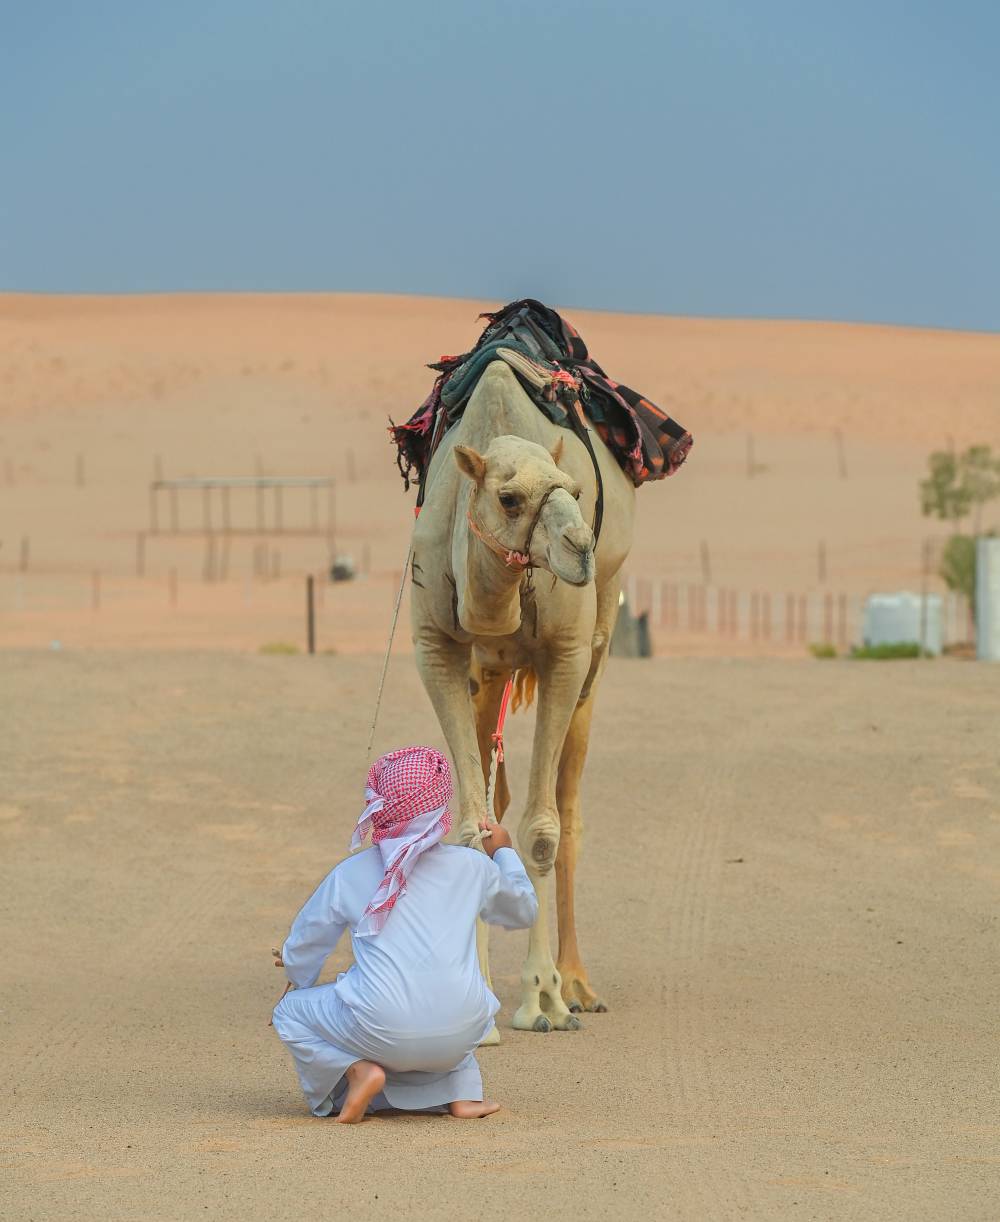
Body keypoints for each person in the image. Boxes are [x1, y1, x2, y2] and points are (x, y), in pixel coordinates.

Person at [271, 745, 537, 1123]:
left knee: (289, 1013)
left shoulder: (350, 873)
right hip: (463, 1032)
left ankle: (358, 1071)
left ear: (379, 807)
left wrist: (296, 974)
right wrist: (504, 853)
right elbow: (524, 911)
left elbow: (308, 940)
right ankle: (462, 1094)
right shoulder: (473, 866)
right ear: (441, 806)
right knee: (450, 994)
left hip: (381, 1028)